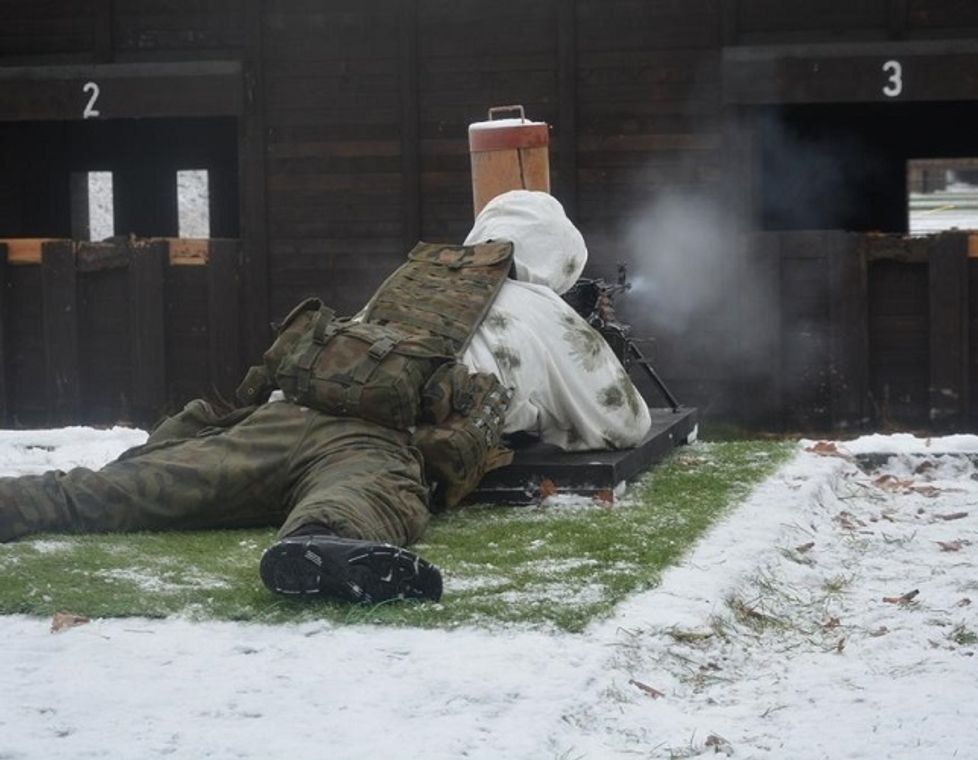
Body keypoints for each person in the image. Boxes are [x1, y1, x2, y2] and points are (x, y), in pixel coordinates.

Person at [0, 191, 651, 604]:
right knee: (364, 497)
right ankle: (323, 544)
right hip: (377, 441)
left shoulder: (418, 277)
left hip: (287, 411)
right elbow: (626, 424)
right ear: (559, 264)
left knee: (142, 488)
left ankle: (25, 501)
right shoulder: (547, 312)